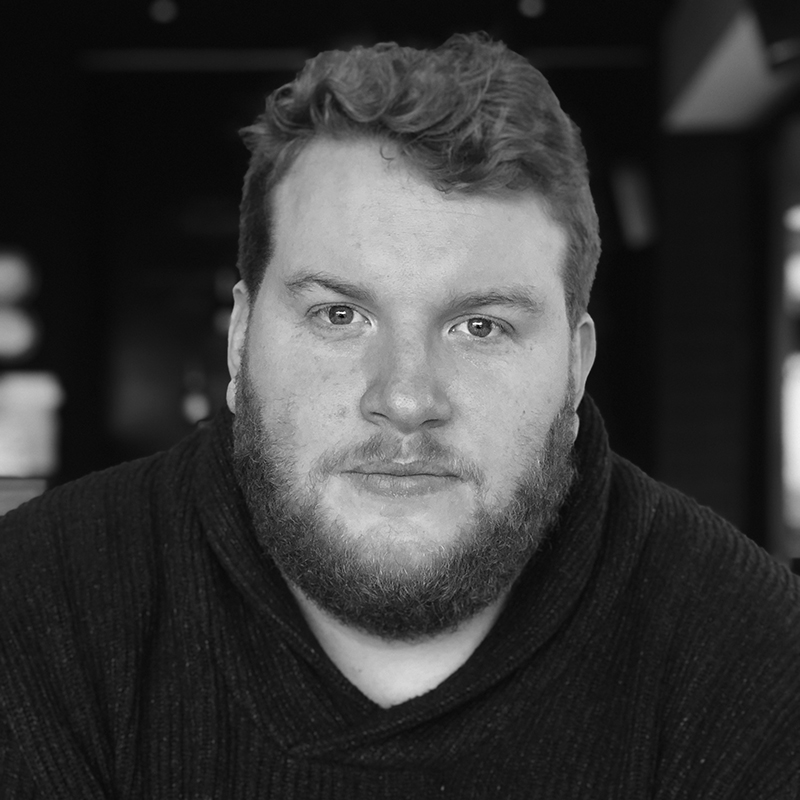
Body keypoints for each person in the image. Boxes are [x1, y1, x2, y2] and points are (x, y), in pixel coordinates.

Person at [1, 32, 799, 798]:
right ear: (242, 340)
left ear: (575, 364)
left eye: (481, 326)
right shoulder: (36, 610)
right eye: (339, 316)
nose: (407, 399)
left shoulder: (754, 654)